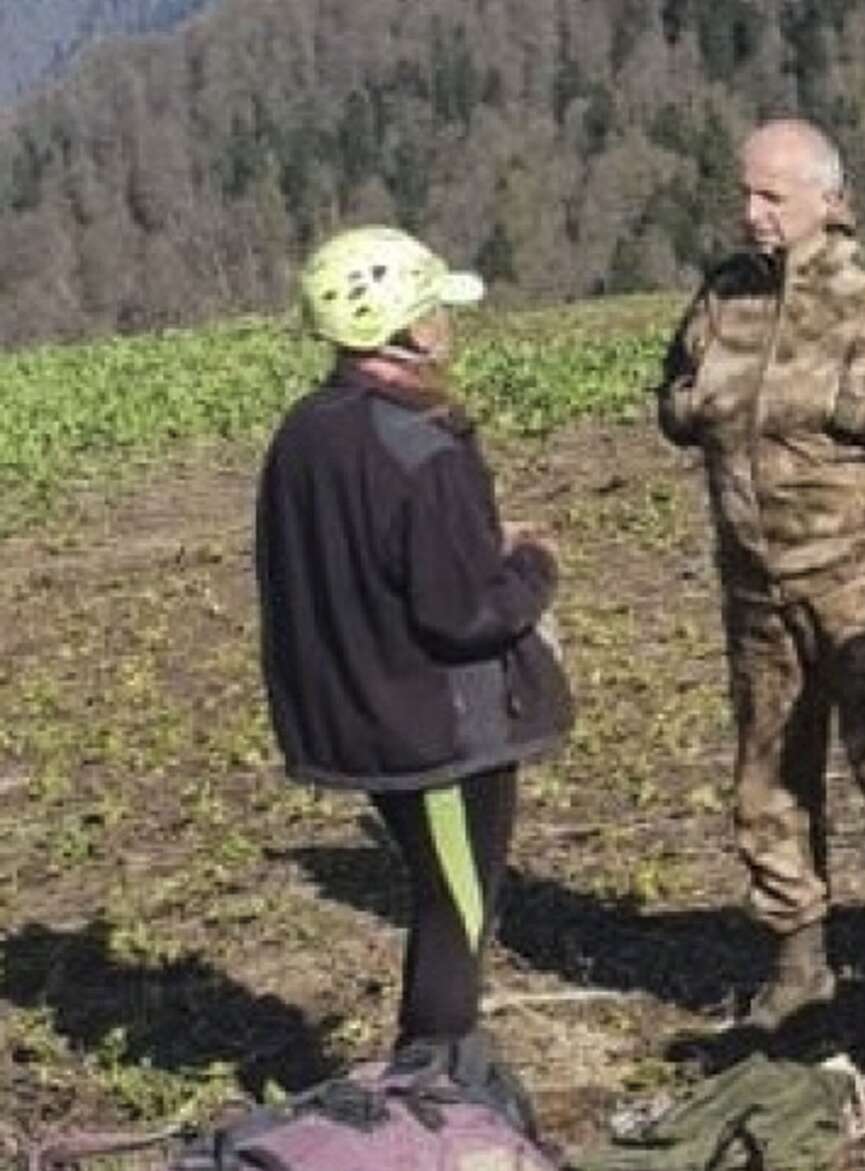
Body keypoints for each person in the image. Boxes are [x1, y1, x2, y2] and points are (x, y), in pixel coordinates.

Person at [654, 118, 865, 1030]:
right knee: (767, 776)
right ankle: (798, 960)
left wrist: (854, 409)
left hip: (860, 582)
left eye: (771, 196)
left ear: (829, 201)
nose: (751, 213)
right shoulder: (723, 298)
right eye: (745, 193)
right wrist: (691, 406)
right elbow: (671, 397)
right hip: (754, 588)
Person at [256, 226, 573, 1051]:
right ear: (404, 330)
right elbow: (460, 615)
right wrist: (534, 565)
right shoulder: (422, 448)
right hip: (433, 731)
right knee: (457, 908)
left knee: (446, 895)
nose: (446, 324)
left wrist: (478, 543)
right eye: (433, 308)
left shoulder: (307, 430)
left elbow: (368, 556)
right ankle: (432, 1081)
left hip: (362, 708)